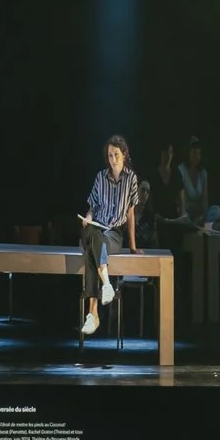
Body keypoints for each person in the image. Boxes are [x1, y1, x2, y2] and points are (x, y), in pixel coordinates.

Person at [78, 135, 138, 337]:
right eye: (110, 155)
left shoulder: (131, 179)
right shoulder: (100, 177)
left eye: (117, 155)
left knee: (90, 250)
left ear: (124, 155)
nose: (113, 159)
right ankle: (106, 285)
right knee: (91, 232)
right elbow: (92, 207)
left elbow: (130, 214)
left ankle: (93, 313)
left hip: (113, 233)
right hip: (97, 228)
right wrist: (87, 217)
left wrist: (132, 246)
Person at [177, 138, 220, 233]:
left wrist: (203, 216)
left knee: (217, 210)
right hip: (186, 212)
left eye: (199, 154)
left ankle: (204, 225)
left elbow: (205, 199)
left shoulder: (203, 173)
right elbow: (181, 198)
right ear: (189, 154)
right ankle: (196, 226)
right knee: (183, 218)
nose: (197, 156)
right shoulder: (181, 170)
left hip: (198, 214)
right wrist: (184, 214)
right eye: (194, 153)